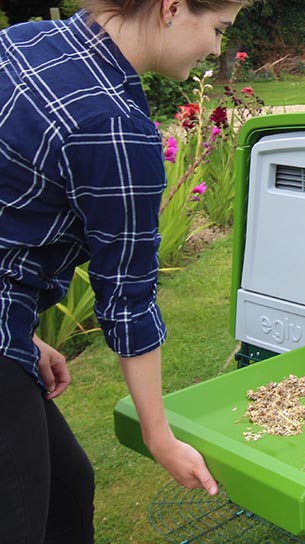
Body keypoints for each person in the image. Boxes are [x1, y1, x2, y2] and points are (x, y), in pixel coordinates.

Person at [0, 1, 252, 542]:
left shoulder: (30, 40)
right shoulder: (115, 128)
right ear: (172, 8)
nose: (215, 47)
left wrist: (16, 329)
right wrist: (160, 439)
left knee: (68, 487)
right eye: (216, 29)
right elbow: (128, 300)